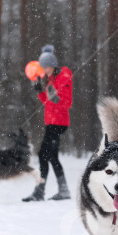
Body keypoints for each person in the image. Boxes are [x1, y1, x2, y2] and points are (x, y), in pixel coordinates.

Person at [22, 45, 73, 202]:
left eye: (46, 66)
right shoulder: (51, 80)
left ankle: (43, 191)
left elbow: (67, 102)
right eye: (42, 67)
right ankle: (54, 190)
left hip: (59, 123)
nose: (44, 70)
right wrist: (40, 92)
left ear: (53, 65)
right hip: (51, 122)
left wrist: (55, 96)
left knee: (46, 155)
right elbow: (48, 102)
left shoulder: (64, 76)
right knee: (48, 156)